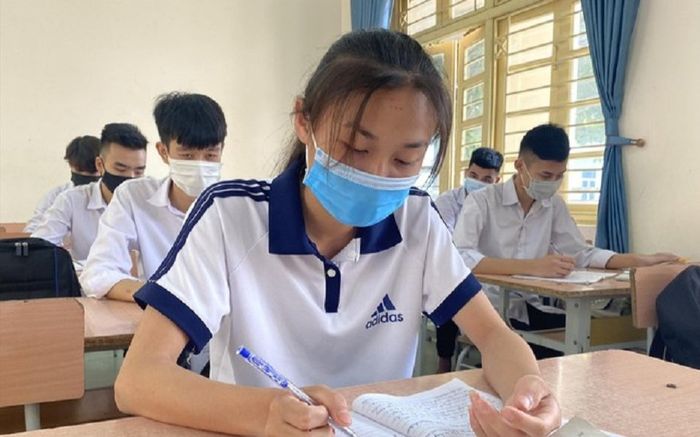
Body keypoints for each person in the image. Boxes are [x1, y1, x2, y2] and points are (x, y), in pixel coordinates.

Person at [114, 30, 561, 437]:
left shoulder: (416, 221)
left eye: (405, 160)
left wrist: (528, 391)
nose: (376, 173)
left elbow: (493, 336)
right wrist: (266, 413)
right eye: (355, 147)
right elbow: (138, 380)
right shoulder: (232, 217)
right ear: (304, 121)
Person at [454, 123, 679, 336]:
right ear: (520, 165)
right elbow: (462, 257)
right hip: (485, 306)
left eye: (559, 176)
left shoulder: (553, 205)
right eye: (545, 175)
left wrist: (638, 260)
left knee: (599, 335)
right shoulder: (482, 201)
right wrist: (533, 267)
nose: (553, 182)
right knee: (563, 345)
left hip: (531, 307)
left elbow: (581, 253)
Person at [80, 92, 227, 302]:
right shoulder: (135, 197)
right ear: (163, 151)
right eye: (187, 155)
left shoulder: (238, 204)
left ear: (222, 150)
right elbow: (98, 273)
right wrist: (165, 297)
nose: (200, 164)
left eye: (211, 155)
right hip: (160, 313)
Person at [31, 124, 148, 263]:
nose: (130, 177)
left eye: (139, 171)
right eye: (121, 169)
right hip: (87, 276)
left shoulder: (153, 202)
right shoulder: (72, 200)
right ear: (100, 165)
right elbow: (39, 249)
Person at [433, 147, 503, 373]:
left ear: (497, 180)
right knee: (451, 293)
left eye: (487, 179)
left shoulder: (498, 207)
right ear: (466, 173)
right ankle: (444, 361)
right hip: (453, 269)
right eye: (474, 176)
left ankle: (492, 364)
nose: (478, 182)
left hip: (488, 273)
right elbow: (446, 243)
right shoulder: (447, 202)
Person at [24, 135, 101, 233]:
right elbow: (32, 229)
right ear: (70, 164)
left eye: (92, 172)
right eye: (80, 170)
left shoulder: (113, 197)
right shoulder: (56, 195)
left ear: (101, 165)